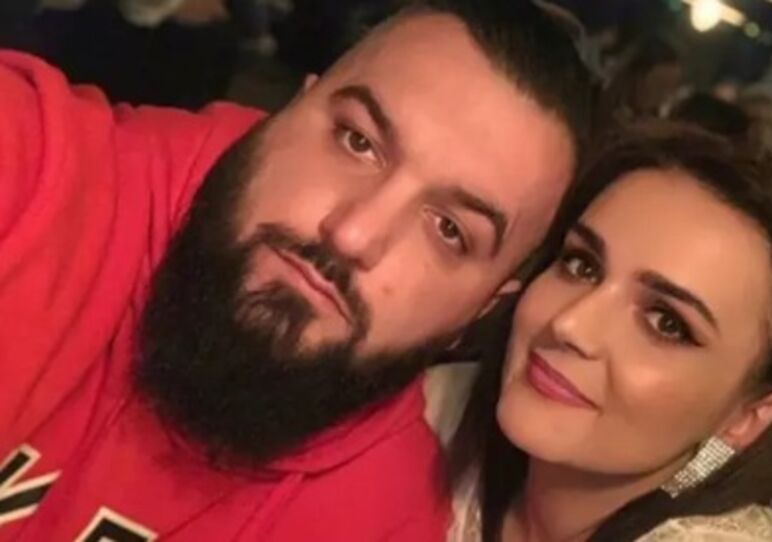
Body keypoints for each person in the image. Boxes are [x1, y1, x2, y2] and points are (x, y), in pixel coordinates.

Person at [0, 0, 596, 539]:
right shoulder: (46, 167)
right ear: (286, 110)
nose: (354, 233)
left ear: (483, 307)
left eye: (449, 230)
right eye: (357, 141)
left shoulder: (378, 523)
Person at [429, 124, 772, 541]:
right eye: (581, 265)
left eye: (666, 323)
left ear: (748, 418)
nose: (570, 324)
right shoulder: (438, 409)